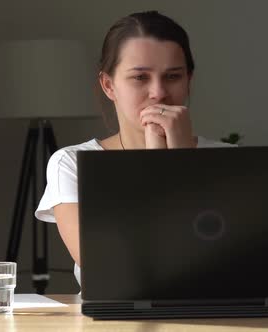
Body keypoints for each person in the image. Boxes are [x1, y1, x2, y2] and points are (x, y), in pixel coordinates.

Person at [35, 11, 234, 286]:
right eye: (140, 78)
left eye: (173, 76)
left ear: (188, 80)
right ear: (109, 85)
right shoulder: (73, 163)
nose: (159, 92)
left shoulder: (228, 159)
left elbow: (222, 265)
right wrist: (157, 164)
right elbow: (107, 269)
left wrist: (180, 159)